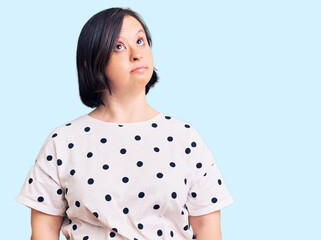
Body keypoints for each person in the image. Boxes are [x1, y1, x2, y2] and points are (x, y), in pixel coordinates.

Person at [16, 7, 234, 240]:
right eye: (118, 46)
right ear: (92, 63)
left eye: (140, 41)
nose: (136, 53)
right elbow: (43, 232)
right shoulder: (63, 141)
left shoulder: (185, 137)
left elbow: (208, 230)